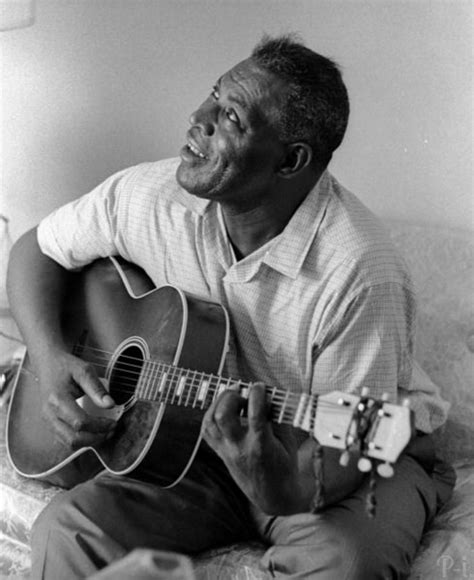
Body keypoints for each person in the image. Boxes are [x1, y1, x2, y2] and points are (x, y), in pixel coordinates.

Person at [7, 35, 454, 579]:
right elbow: (36, 249)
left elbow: (358, 437)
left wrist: (277, 485)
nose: (198, 119)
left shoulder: (360, 270)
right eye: (212, 97)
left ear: (291, 161)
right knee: (66, 530)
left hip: (342, 456)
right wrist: (52, 359)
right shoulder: (151, 198)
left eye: (232, 117)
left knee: (347, 562)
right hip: (197, 442)